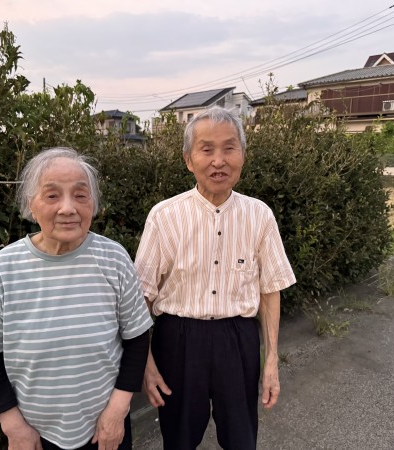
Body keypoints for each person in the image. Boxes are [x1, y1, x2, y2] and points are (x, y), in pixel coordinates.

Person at [0, 147, 153, 450]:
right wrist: (13, 425)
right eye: (52, 196)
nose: (68, 208)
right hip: (34, 435)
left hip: (105, 428)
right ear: (31, 205)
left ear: (93, 204)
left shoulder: (114, 259)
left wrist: (118, 410)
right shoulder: (2, 270)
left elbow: (136, 338)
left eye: (80, 195)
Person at [134, 106, 296, 450]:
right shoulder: (164, 216)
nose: (218, 161)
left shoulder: (260, 215)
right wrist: (146, 364)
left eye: (229, 148)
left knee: (241, 439)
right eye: (206, 149)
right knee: (178, 440)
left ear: (243, 155)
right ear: (188, 159)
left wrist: (271, 361)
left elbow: (270, 290)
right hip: (177, 341)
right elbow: (142, 297)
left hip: (237, 340)